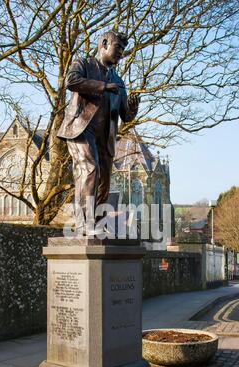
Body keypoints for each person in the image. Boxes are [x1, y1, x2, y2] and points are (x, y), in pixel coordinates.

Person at [57, 30, 139, 235]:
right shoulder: (84, 64)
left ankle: (99, 224)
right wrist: (102, 86)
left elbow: (125, 116)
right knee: (90, 170)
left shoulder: (119, 81)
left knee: (104, 181)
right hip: (81, 129)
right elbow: (71, 82)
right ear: (104, 43)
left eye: (123, 50)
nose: (121, 53)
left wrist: (132, 109)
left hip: (106, 136)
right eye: (118, 48)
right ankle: (84, 224)